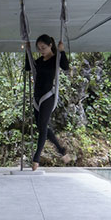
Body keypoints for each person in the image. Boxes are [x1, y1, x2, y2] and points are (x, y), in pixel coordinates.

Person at [24, 34, 71, 169]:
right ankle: (61, 151)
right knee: (42, 127)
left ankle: (36, 158)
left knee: (43, 126)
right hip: (37, 97)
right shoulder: (39, 61)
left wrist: (61, 50)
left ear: (50, 45)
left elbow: (65, 67)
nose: (41, 50)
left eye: (43, 47)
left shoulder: (56, 59)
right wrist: (27, 51)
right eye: (39, 48)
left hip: (48, 96)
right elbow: (28, 68)